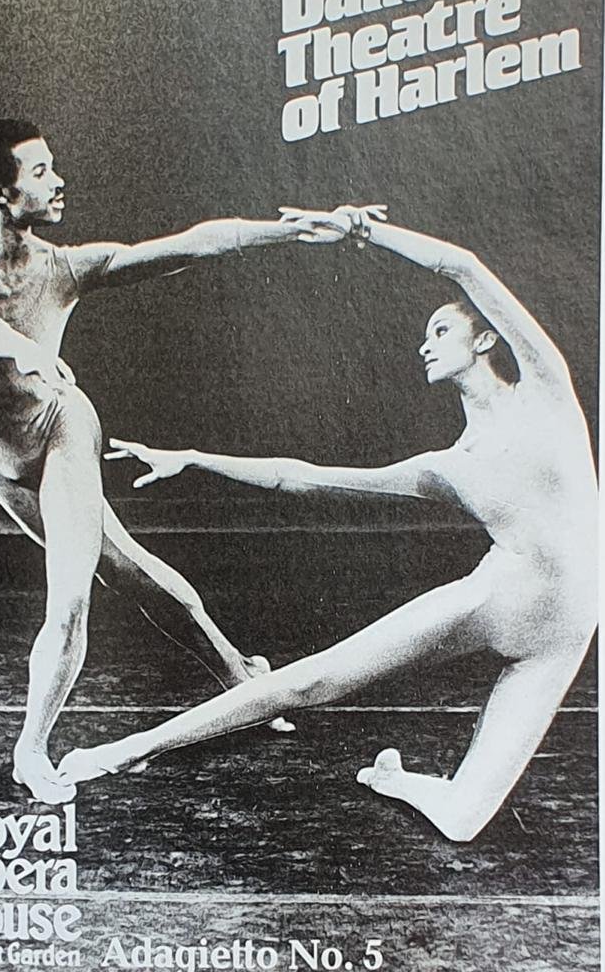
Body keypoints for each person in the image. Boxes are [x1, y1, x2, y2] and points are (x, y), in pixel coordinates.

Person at [56, 204, 597, 842]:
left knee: (462, 820)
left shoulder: (546, 390)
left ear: (484, 340)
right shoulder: (446, 467)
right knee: (312, 680)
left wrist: (362, 230)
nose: (425, 343)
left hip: (568, 625)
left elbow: (463, 266)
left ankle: (394, 779)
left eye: (441, 329)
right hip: (501, 598)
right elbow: (300, 476)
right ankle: (128, 749)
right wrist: (195, 458)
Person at [0, 119, 308, 805]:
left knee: (71, 596)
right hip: (5, 469)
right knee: (130, 571)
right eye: (40, 172)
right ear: (0, 193)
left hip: (62, 431)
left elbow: (185, 246)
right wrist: (26, 350)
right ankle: (241, 672)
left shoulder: (63, 268)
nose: (59, 181)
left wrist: (288, 231)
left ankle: (30, 751)